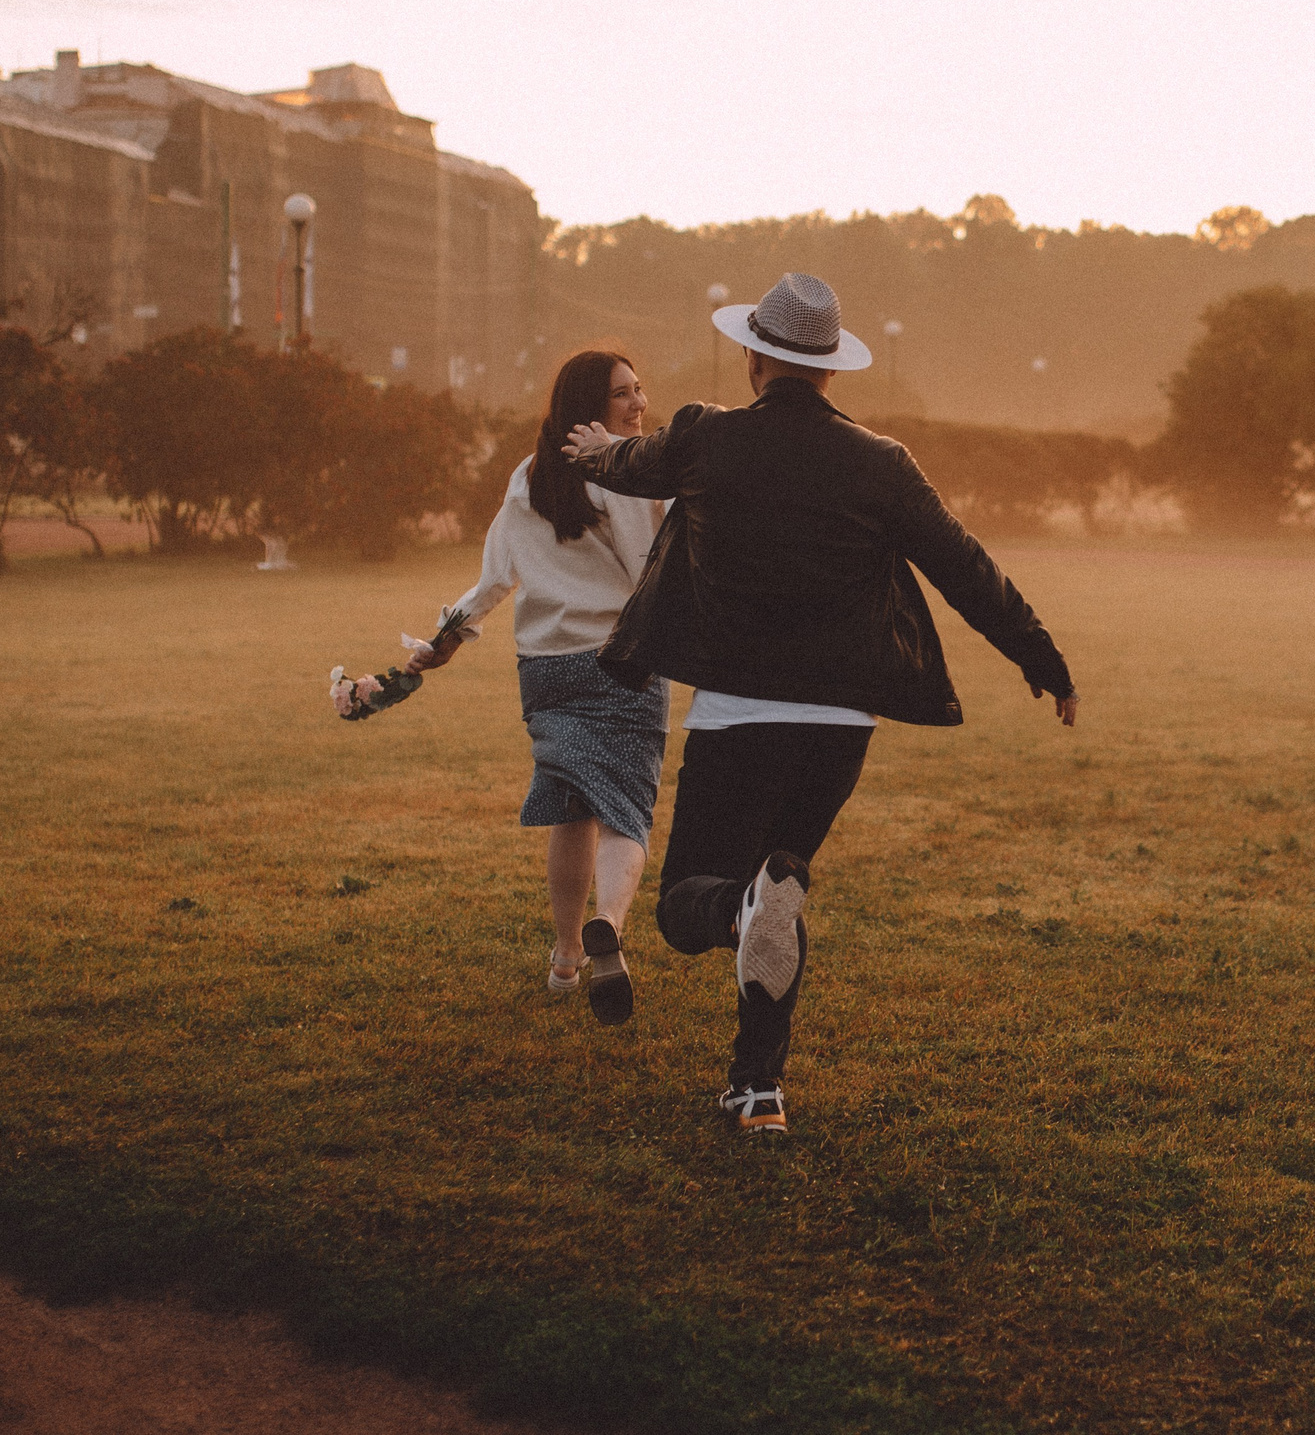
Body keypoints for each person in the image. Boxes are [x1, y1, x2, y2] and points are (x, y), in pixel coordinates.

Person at [564, 272, 1077, 1134]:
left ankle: (741, 926)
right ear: (832, 369)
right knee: (781, 891)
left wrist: (592, 450)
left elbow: (633, 463)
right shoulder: (883, 463)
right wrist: (1043, 658)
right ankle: (757, 1089)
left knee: (691, 906)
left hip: (737, 717)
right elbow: (965, 566)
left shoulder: (705, 437)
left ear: (753, 358)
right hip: (839, 731)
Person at [412, 349, 668, 1026]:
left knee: (570, 807)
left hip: (546, 669)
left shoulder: (527, 476)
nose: (639, 403)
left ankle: (565, 958)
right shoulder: (624, 472)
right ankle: (608, 923)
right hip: (621, 661)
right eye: (623, 393)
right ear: (590, 406)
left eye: (639, 389)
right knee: (625, 809)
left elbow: (495, 576)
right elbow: (650, 568)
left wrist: (446, 637)